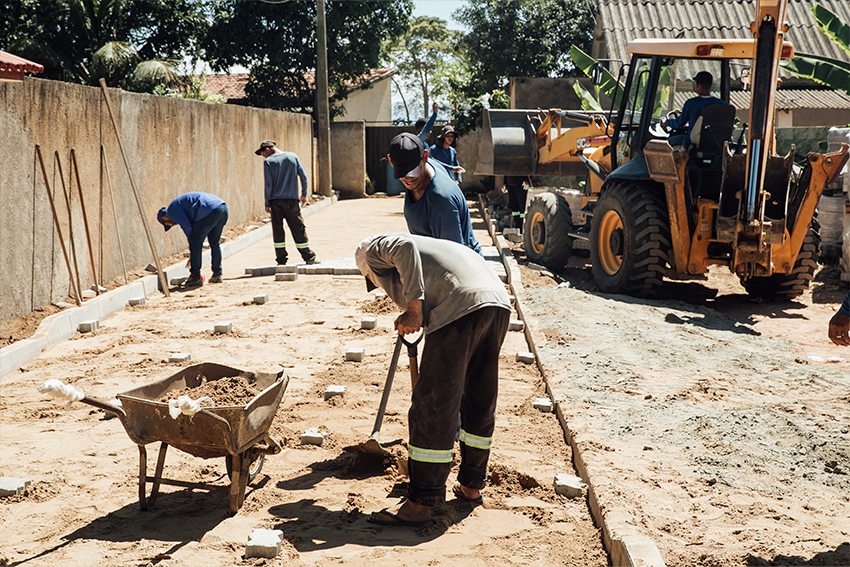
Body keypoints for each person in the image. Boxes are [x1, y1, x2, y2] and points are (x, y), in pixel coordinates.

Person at [355, 233, 512, 526]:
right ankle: (471, 485)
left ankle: (420, 503)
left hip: (461, 307)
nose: (378, 286)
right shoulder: (441, 248)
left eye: (372, 280)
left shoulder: (375, 249)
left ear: (368, 268)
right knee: (479, 399)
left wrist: (413, 309)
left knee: (435, 406)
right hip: (497, 304)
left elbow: (404, 248)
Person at [387, 132, 481, 255]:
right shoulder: (424, 167)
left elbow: (454, 258)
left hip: (460, 268)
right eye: (403, 172)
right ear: (390, 161)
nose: (408, 178)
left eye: (413, 171)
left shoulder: (441, 202)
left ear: (425, 157)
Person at [255, 140, 318, 265]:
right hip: (292, 201)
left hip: (275, 202)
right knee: (298, 228)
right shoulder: (292, 156)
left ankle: (281, 260)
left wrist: (267, 202)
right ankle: (308, 257)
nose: (264, 156)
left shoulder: (268, 162)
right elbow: (303, 177)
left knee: (278, 230)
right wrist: (304, 194)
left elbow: (268, 184)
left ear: (268, 149)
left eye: (263, 154)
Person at [157, 192, 228, 288]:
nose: (171, 225)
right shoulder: (178, 205)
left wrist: (192, 249)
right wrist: (193, 252)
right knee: (214, 242)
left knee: (195, 242)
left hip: (209, 211)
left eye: (167, 224)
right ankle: (217, 274)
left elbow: (187, 227)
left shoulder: (172, 211)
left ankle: (195, 277)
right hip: (222, 208)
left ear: (164, 217)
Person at [661, 71, 725, 146]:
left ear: (697, 85)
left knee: (667, 143)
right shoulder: (721, 104)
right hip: (715, 143)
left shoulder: (691, 104)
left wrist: (668, 122)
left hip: (693, 142)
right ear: (710, 85)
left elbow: (679, 123)